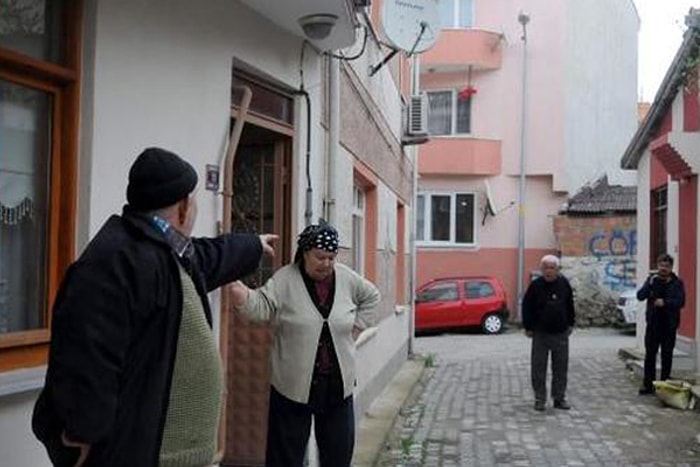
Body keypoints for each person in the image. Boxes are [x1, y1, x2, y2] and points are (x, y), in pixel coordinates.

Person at [31, 147, 277, 467]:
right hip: (132, 453)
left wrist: (253, 245)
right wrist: (82, 433)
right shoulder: (114, 261)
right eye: (195, 199)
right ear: (184, 206)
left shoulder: (163, 251)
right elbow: (85, 353)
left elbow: (207, 256)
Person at [228, 221, 380, 467]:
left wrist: (357, 327)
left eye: (331, 258)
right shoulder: (285, 280)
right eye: (321, 257)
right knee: (285, 456)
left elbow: (372, 296)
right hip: (292, 385)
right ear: (305, 253)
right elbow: (261, 307)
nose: (327, 264)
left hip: (337, 385)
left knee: (338, 453)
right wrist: (239, 291)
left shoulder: (346, 278)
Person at [522, 254, 575, 411]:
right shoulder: (535, 286)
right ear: (541, 269)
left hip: (560, 332)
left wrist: (571, 324)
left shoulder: (564, 284)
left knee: (560, 368)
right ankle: (540, 399)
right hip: (540, 333)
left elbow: (570, 305)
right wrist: (528, 327)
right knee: (538, 368)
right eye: (545, 268)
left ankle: (559, 398)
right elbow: (527, 306)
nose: (549, 271)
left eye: (552, 268)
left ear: (557, 269)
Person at [637, 253, 686, 395]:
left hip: (669, 324)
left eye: (666, 266)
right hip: (653, 324)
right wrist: (650, 285)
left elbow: (681, 302)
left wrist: (665, 303)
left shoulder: (677, 283)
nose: (663, 268)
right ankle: (648, 385)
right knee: (650, 355)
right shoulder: (652, 280)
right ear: (657, 266)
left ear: (671, 267)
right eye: (661, 265)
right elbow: (640, 296)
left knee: (667, 355)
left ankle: (664, 384)